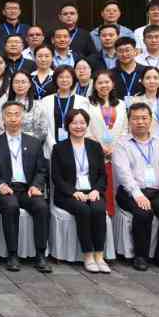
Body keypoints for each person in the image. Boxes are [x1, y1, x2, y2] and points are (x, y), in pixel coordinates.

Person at [112, 102, 159, 272]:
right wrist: (137, 194)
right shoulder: (122, 144)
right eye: (135, 118)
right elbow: (123, 174)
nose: (140, 122)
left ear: (151, 120)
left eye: (144, 118)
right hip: (129, 192)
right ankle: (141, 256)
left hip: (157, 191)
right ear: (129, 121)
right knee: (143, 212)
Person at [0, 101, 51, 272]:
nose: (13, 118)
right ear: (3, 119)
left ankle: (40, 255)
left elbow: (42, 170)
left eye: (17, 114)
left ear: (23, 118)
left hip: (27, 189)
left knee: (41, 206)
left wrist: (36, 186)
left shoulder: (34, 142)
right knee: (10, 205)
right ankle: (12, 254)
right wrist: (0, 185)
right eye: (9, 115)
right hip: (5, 190)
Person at [51, 108, 109, 273]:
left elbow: (102, 175)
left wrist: (96, 190)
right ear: (68, 125)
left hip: (92, 191)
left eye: (82, 123)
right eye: (74, 123)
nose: (78, 126)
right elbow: (57, 177)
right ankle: (88, 255)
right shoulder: (59, 148)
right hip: (68, 194)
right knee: (83, 210)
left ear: (87, 125)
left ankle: (99, 255)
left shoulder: (95, 146)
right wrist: (73, 192)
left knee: (98, 209)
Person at [86, 70, 128, 217]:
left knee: (117, 186)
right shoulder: (87, 104)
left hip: (117, 151)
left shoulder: (121, 104)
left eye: (107, 82)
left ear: (113, 84)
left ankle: (116, 218)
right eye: (100, 83)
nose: (104, 85)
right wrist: (101, 147)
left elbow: (125, 129)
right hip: (95, 151)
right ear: (94, 85)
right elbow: (86, 129)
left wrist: (114, 147)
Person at [38, 66, 92, 158]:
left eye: (68, 77)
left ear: (73, 79)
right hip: (51, 148)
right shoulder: (46, 101)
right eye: (61, 77)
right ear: (55, 79)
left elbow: (86, 126)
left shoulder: (82, 101)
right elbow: (44, 126)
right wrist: (53, 145)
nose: (64, 80)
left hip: (77, 149)